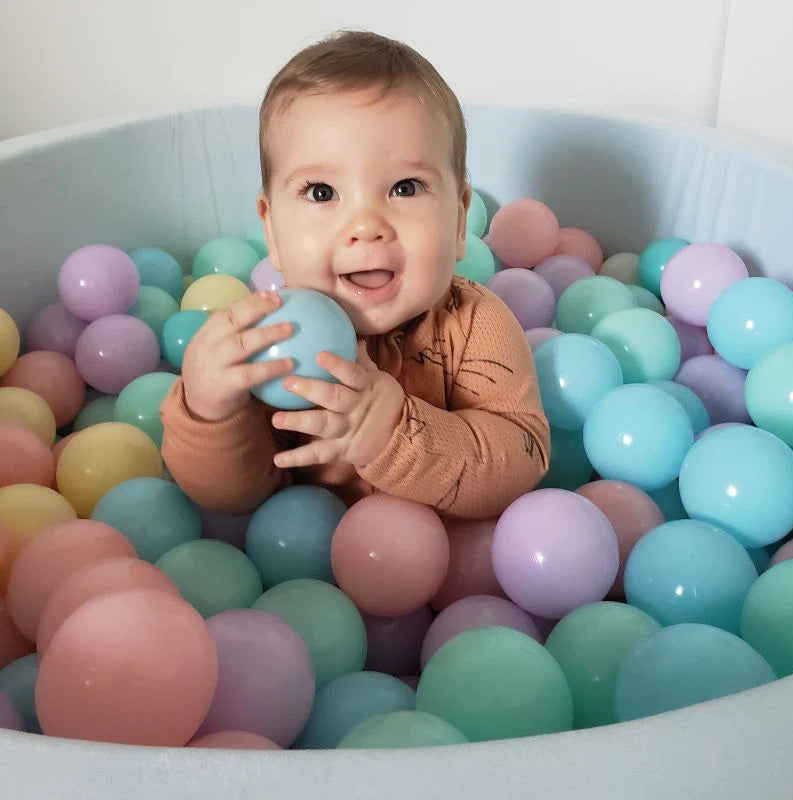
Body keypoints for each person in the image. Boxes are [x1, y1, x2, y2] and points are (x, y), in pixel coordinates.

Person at [160, 29, 550, 519]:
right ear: (272, 230)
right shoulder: (265, 341)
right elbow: (231, 500)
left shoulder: (475, 324)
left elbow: (524, 456)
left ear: (458, 220)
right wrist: (209, 411)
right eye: (322, 193)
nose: (366, 226)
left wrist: (397, 434)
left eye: (405, 188)